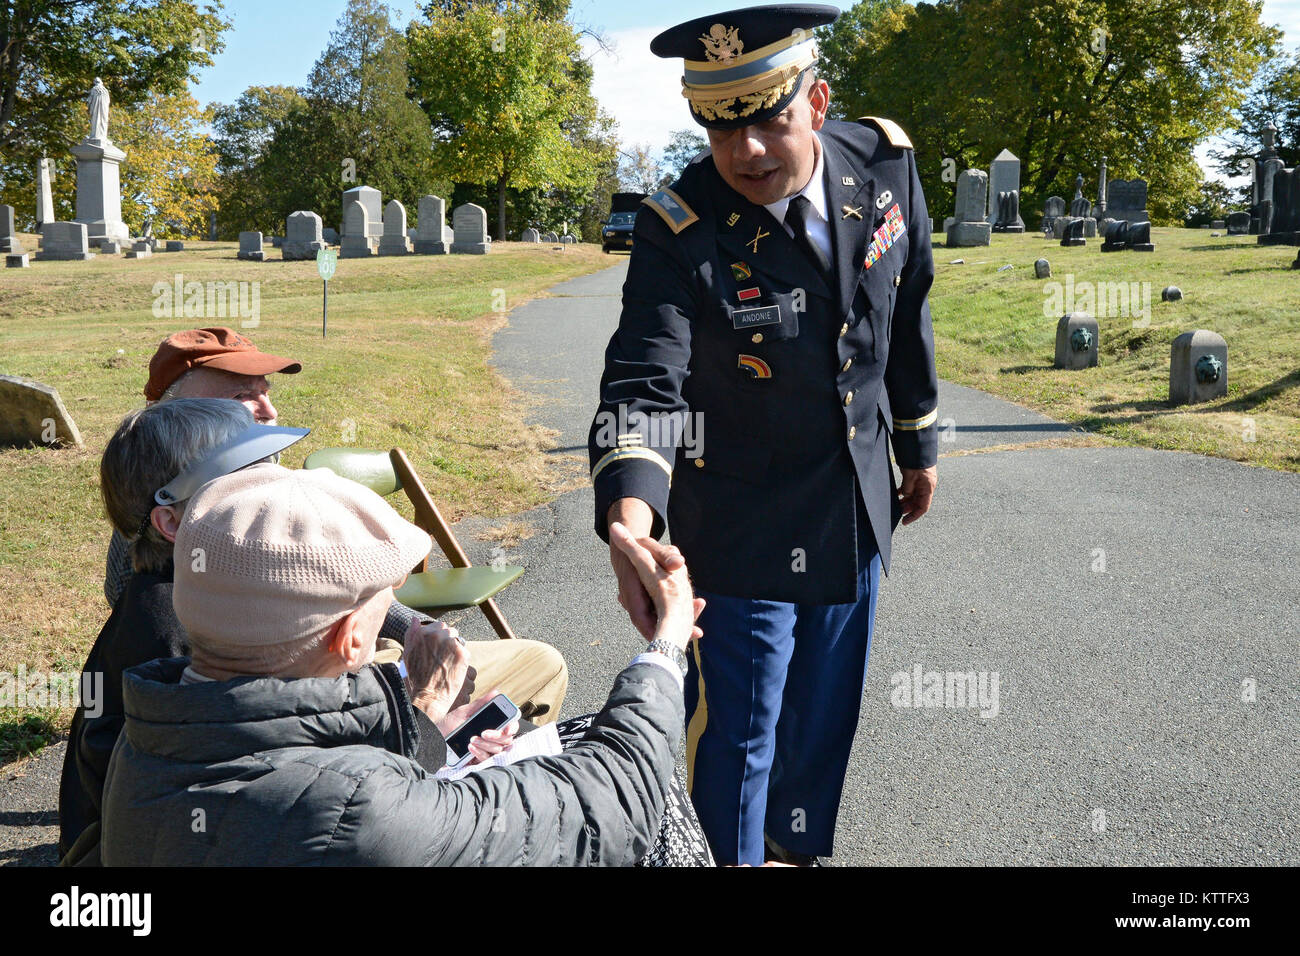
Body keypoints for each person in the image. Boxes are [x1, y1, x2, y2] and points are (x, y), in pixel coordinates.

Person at [587, 4, 940, 866]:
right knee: (740, 733)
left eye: (768, 123)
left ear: (816, 103)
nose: (744, 152)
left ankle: (794, 852)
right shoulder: (678, 227)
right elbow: (644, 376)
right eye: (719, 131)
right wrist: (631, 516)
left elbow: (908, 301)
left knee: (825, 714)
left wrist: (917, 440)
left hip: (855, 505)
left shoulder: (884, 163)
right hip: (738, 523)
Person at [101, 463, 704, 866]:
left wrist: (432, 743)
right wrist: (665, 649)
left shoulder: (144, 741)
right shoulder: (361, 808)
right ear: (349, 639)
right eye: (383, 600)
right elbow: (617, 796)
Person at [105, 326, 568, 724]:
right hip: (317, 695)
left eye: (266, 392)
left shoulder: (206, 505)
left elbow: (326, 580)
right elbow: (262, 735)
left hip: (325, 677)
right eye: (242, 398)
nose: (269, 412)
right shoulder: (162, 600)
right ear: (175, 409)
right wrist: (422, 710)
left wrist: (411, 628)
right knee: (538, 669)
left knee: (534, 667)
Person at [59, 399, 311, 864]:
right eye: (244, 484)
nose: (271, 492)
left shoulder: (207, 589)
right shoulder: (171, 627)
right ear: (172, 522)